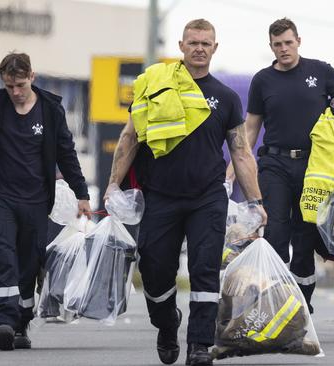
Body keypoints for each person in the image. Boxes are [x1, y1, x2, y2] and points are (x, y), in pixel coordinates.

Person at [105, 19, 266, 366]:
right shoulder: (156, 85)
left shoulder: (224, 97)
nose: (199, 48)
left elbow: (240, 151)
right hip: (160, 195)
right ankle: (166, 325)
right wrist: (113, 185)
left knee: (205, 270)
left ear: (215, 48)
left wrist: (255, 201)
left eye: (206, 43)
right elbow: (130, 137)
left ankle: (199, 346)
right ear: (180, 45)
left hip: (207, 197)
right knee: (154, 270)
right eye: (193, 42)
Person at [226, 17, 334, 313]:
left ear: (298, 41)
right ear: (270, 46)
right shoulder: (262, 80)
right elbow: (250, 128)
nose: (283, 49)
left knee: (305, 235)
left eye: (288, 42)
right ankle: (275, 296)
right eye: (277, 45)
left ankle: (302, 302)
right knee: (275, 232)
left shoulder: (320, 71)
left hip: (314, 167)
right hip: (275, 163)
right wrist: (233, 169)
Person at [0, 53, 91, 350]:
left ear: (32, 77)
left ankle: (21, 322)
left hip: (36, 201)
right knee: (2, 254)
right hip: (1, 198)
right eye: (9, 86)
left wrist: (82, 194)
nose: (15, 93)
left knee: (29, 265)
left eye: (20, 85)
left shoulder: (50, 111)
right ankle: (4, 322)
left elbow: (66, 154)